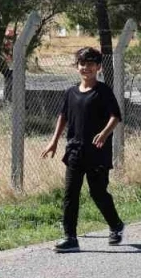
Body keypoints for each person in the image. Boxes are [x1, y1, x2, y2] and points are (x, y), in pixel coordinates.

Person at [40, 47, 126, 252]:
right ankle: (70, 237)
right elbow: (63, 117)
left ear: (98, 67)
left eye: (90, 64)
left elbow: (116, 116)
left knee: (98, 192)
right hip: (75, 152)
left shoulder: (103, 91)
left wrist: (104, 133)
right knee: (70, 194)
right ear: (77, 66)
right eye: (82, 63)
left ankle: (116, 225)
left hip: (97, 152)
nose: (85, 67)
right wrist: (53, 142)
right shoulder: (71, 93)